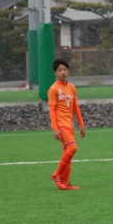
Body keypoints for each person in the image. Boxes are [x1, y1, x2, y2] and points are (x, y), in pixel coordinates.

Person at [48, 59, 85, 190]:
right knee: (72, 148)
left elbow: (75, 107)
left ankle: (64, 183)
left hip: (70, 125)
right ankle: (57, 175)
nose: (63, 72)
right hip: (61, 125)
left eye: (65, 69)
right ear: (55, 72)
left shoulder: (72, 88)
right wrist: (55, 128)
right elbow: (52, 110)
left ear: (68, 71)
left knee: (68, 153)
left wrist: (81, 125)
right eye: (60, 70)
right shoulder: (53, 89)